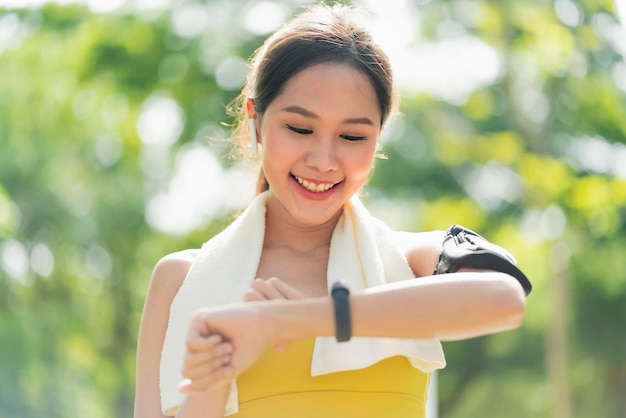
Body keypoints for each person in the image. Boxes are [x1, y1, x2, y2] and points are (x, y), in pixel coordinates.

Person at [134, 4, 530, 418]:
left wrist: (295, 322)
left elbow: (505, 297)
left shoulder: (408, 262)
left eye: (352, 136)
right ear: (255, 120)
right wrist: (212, 380)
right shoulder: (182, 281)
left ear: (378, 139)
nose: (324, 160)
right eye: (300, 129)